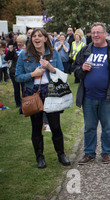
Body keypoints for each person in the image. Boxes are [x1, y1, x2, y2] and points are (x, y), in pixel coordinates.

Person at [15, 28, 71, 168]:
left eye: (40, 36)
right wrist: (32, 75)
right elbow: (17, 77)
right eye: (34, 36)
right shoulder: (24, 55)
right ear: (31, 39)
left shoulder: (53, 53)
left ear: (45, 38)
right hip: (33, 94)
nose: (37, 38)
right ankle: (40, 157)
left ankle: (61, 154)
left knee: (55, 126)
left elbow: (62, 74)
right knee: (36, 127)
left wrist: (50, 67)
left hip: (51, 92)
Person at [73, 22, 110, 164]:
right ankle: (89, 153)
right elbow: (75, 70)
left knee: (107, 127)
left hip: (107, 97)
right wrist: (81, 69)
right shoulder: (86, 50)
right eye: (93, 32)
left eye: (99, 32)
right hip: (89, 97)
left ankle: (106, 152)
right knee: (89, 127)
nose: (96, 35)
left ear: (105, 34)